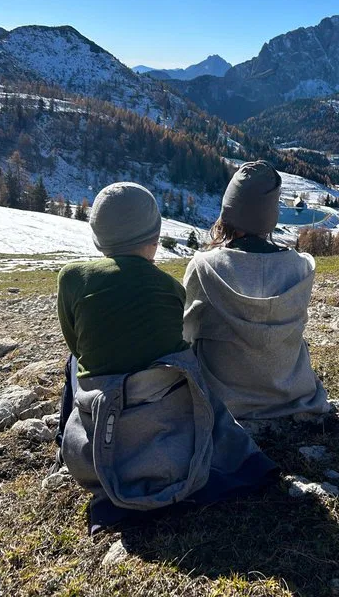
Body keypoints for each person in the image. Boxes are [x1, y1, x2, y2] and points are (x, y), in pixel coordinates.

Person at [56, 182, 276, 534]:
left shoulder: (72, 279)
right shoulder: (170, 288)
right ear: (155, 240)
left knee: (72, 361)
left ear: (98, 238)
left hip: (102, 449)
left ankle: (62, 444)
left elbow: (77, 346)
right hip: (177, 440)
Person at [183, 161, 330, 421]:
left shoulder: (203, 267)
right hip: (292, 394)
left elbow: (187, 332)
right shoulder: (301, 267)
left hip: (221, 398)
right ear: (271, 214)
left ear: (227, 211)